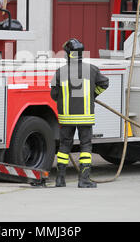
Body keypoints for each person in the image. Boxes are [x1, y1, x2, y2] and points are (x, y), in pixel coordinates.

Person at [50, 38, 109, 188]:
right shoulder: (92, 69)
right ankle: (84, 180)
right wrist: (93, 95)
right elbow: (104, 83)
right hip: (85, 117)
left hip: (66, 118)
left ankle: (60, 180)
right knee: (85, 147)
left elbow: (53, 95)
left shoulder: (59, 72)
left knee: (64, 148)